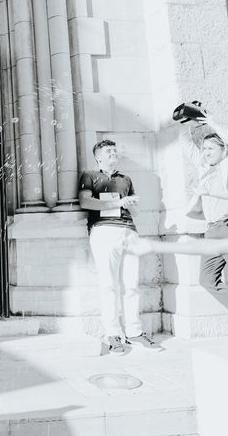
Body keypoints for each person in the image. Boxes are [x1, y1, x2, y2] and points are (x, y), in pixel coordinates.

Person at [79, 140, 160, 356]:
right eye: (108, 151)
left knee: (131, 285)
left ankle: (134, 332)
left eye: (115, 149)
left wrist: (132, 206)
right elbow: (85, 202)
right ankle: (113, 335)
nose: (113, 152)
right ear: (98, 157)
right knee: (108, 285)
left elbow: (134, 212)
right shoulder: (90, 175)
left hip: (129, 231)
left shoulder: (126, 179)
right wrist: (117, 203)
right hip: (104, 231)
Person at [178, 111, 228, 291]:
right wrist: (185, 122)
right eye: (204, 148)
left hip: (227, 225)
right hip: (212, 230)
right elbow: (186, 144)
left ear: (224, 150)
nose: (206, 153)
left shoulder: (225, 165)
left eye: (211, 149)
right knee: (207, 280)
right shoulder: (204, 167)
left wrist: (213, 122)